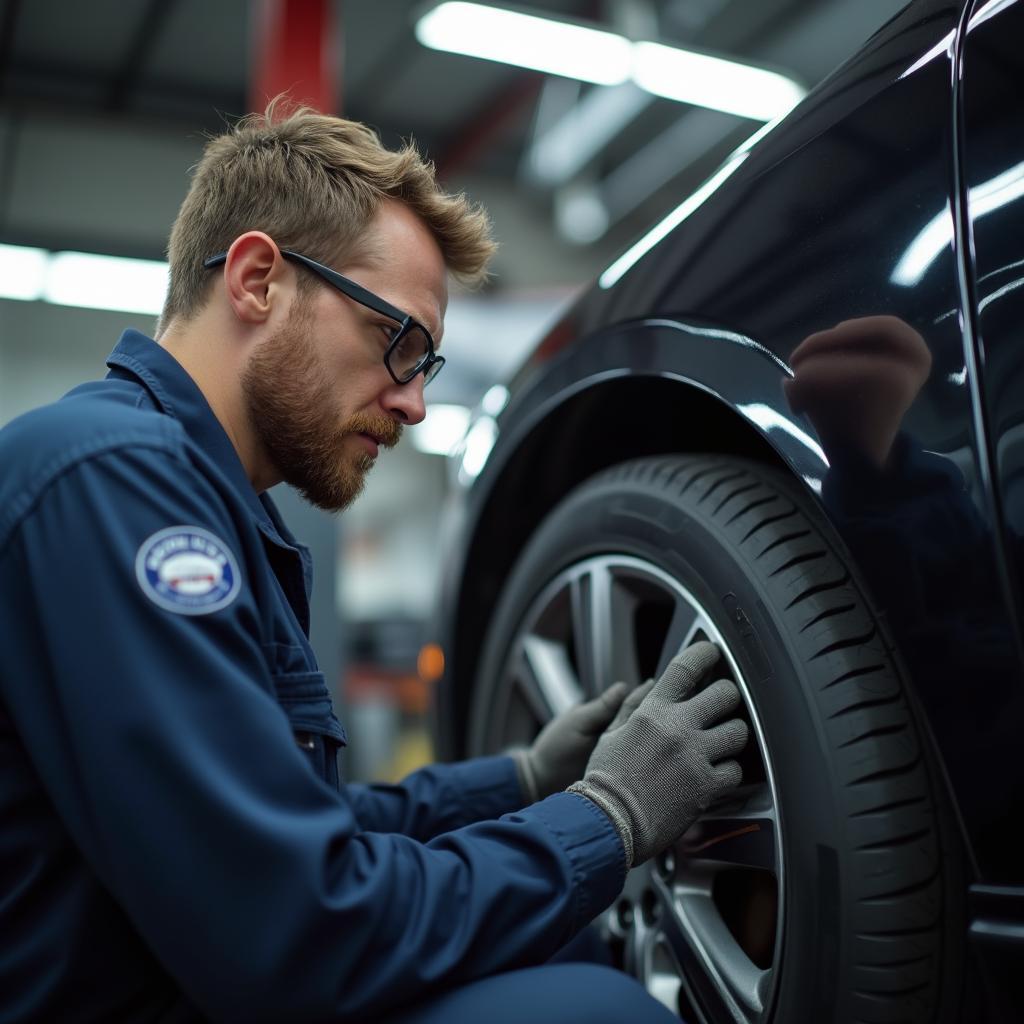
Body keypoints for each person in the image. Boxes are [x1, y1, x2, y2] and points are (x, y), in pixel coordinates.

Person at [0, 104, 749, 1023]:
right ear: (257, 279)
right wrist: (611, 816)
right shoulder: (119, 482)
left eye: (427, 362)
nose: (417, 403)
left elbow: (301, 832)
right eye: (397, 342)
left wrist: (521, 781)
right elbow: (296, 924)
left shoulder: (200, 499)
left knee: (569, 946)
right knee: (601, 1011)